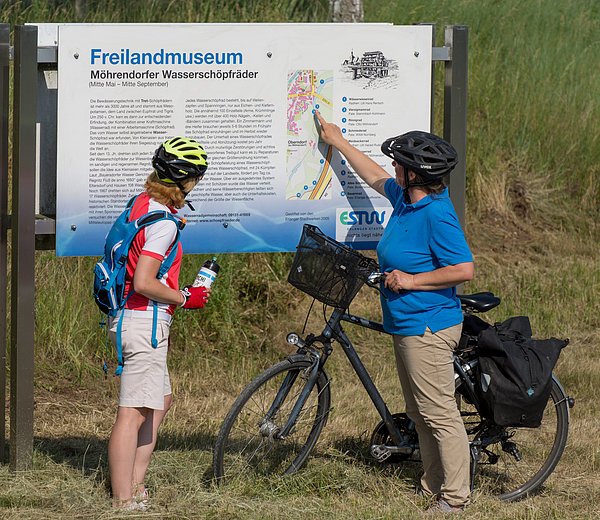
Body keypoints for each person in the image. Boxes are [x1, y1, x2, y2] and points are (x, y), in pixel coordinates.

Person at [315, 112, 474, 514]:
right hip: (407, 326)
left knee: (439, 413)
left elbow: (463, 269)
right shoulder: (406, 199)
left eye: (399, 164)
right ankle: (431, 483)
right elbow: (372, 175)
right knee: (421, 412)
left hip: (429, 325)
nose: (393, 168)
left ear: (416, 174)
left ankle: (455, 498)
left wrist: (411, 281)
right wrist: (337, 140)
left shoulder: (436, 213)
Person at [107, 136, 211, 510]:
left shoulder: (141, 204)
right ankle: (123, 501)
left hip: (133, 317)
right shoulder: (164, 224)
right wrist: (185, 297)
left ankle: (136, 485)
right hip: (144, 320)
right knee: (132, 413)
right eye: (197, 177)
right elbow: (144, 282)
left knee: (160, 400)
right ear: (186, 180)